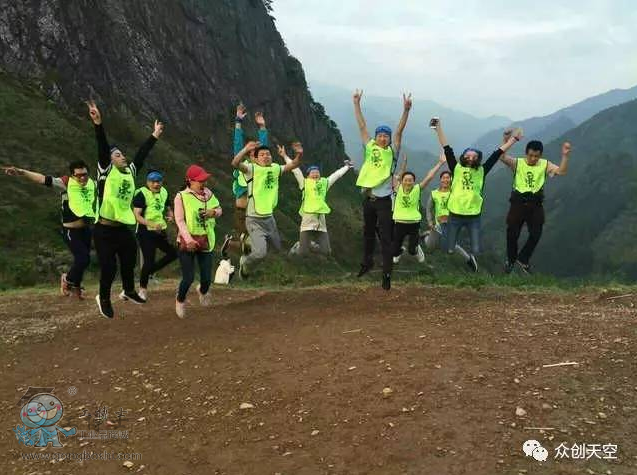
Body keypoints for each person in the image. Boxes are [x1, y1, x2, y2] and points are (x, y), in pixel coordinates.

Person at [86, 100, 164, 319]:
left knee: (129, 260)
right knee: (109, 268)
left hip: (122, 228)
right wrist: (98, 124)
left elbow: (141, 155)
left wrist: (154, 135)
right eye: (118, 155)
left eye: (122, 154)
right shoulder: (105, 170)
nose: (122, 157)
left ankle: (129, 290)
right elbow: (102, 147)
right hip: (104, 229)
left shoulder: (130, 171)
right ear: (110, 160)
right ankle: (103, 298)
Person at [431, 117, 522, 272]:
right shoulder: (456, 168)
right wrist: (438, 128)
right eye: (468, 155)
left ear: (478, 159)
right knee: (448, 247)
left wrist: (513, 139)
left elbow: (497, 154)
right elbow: (447, 147)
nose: (471, 157)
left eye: (474, 156)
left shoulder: (482, 171)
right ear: (463, 157)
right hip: (455, 212)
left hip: (473, 214)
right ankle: (464, 258)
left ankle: (472, 259)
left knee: (476, 246)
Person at [3, 161, 96, 297]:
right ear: (72, 175)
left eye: (85, 174)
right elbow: (42, 179)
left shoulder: (91, 185)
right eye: (79, 175)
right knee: (83, 259)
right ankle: (67, 280)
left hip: (86, 229)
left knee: (83, 259)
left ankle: (76, 285)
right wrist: (22, 172)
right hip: (71, 231)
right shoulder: (65, 183)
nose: (82, 178)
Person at [353, 89, 412, 290]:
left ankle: (387, 274)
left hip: (385, 202)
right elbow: (362, 126)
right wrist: (356, 104)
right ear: (376, 137)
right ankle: (367, 262)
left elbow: (399, 131)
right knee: (368, 233)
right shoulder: (370, 147)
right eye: (380, 135)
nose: (383, 138)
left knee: (386, 239)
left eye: (386, 136)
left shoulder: (393, 152)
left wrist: (406, 111)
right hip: (369, 199)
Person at [498, 131, 571, 273]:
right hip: (518, 202)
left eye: (536, 156)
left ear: (540, 155)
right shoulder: (517, 163)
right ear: (526, 153)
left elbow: (561, 172)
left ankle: (523, 258)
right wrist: (505, 140)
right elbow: (501, 156)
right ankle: (511, 261)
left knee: (536, 233)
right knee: (512, 233)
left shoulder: (544, 164)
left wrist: (565, 156)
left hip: (535, 203)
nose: (533, 158)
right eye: (530, 155)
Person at [231, 140, 303, 278]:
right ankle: (245, 265)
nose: (266, 156)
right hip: (254, 219)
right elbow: (235, 163)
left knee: (277, 248)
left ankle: (250, 243)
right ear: (256, 159)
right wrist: (245, 149)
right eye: (262, 154)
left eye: (268, 154)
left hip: (269, 218)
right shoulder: (251, 169)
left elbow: (294, 164)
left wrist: (299, 154)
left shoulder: (275, 168)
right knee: (260, 254)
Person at [280, 146, 352, 256]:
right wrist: (285, 156)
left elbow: (336, 175)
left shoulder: (324, 183)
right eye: (312, 172)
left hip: (320, 222)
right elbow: (295, 170)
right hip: (307, 220)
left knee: (326, 251)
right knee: (303, 253)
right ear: (308, 176)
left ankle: (310, 244)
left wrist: (347, 167)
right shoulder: (304, 183)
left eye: (317, 172)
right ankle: (299, 246)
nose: (315, 174)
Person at [173, 165, 222, 318]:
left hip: (206, 239)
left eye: (204, 180)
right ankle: (180, 300)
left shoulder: (208, 194)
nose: (203, 183)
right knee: (188, 278)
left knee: (206, 278)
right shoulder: (181, 196)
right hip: (187, 241)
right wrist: (189, 240)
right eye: (200, 181)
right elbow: (180, 221)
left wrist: (213, 212)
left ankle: (202, 290)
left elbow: (219, 209)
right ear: (190, 181)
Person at [226, 104, 269, 256]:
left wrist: (262, 127)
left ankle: (231, 244)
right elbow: (237, 145)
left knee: (255, 246)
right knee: (250, 246)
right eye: (250, 151)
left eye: (256, 153)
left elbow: (264, 148)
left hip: (256, 212)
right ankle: (232, 245)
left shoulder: (261, 168)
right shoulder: (242, 166)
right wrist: (238, 122)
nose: (253, 154)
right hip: (242, 211)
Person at [391, 153, 448, 264]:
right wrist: (402, 163)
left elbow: (429, 177)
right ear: (401, 181)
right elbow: (390, 173)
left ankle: (417, 249)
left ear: (414, 181)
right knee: (394, 251)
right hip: (399, 223)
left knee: (412, 251)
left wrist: (440, 163)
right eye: (406, 180)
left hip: (414, 224)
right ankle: (399, 251)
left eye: (410, 180)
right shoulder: (397, 188)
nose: (408, 182)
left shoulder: (417, 189)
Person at [132, 170, 178, 300]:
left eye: (158, 182)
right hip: (145, 231)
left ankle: (150, 271)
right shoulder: (142, 194)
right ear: (147, 182)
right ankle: (143, 290)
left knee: (173, 253)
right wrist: (151, 224)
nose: (156, 184)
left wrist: (171, 216)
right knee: (149, 260)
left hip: (160, 230)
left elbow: (168, 208)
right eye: (153, 182)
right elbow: (137, 215)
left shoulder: (164, 192)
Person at [423, 166, 471, 262]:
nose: (445, 180)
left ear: (451, 179)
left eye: (448, 178)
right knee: (429, 246)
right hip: (438, 224)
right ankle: (427, 235)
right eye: (443, 178)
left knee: (449, 247)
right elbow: (429, 209)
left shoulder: (455, 193)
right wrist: (430, 221)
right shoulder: (434, 193)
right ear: (440, 180)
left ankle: (469, 259)